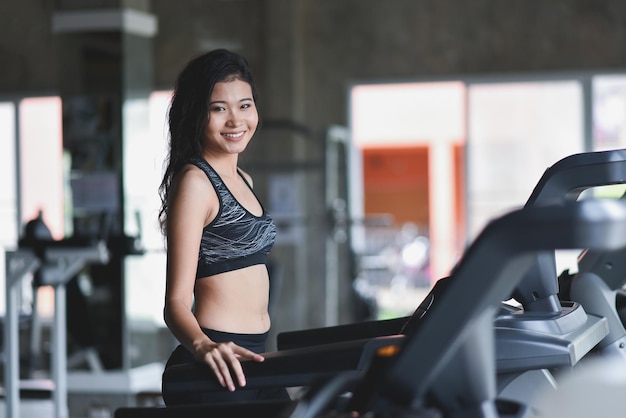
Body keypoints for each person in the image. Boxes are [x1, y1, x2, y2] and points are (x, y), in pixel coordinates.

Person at [158, 49, 288, 405]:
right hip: (218, 361)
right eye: (219, 108)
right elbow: (176, 302)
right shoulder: (196, 183)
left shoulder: (242, 178)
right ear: (197, 113)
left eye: (244, 105)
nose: (235, 120)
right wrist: (204, 346)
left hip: (256, 354)